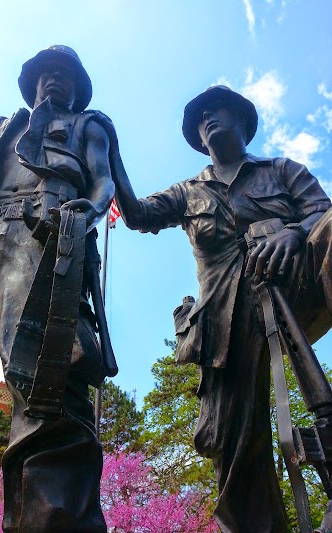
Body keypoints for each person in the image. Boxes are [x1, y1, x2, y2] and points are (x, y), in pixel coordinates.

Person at [107, 85, 332, 532]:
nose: (207, 117)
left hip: (297, 284)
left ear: (242, 121)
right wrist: (108, 152)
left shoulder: (282, 170)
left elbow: (322, 215)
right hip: (226, 321)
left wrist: (294, 231)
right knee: (236, 449)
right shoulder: (188, 191)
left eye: (217, 110)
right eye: (200, 117)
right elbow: (135, 214)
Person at [0, 45, 114, 532]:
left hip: (44, 232)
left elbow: (103, 184)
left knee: (45, 379)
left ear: (77, 88)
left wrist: (89, 212)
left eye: (64, 75)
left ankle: (55, 522)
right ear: (31, 82)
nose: (54, 80)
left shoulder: (87, 126)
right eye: (45, 73)